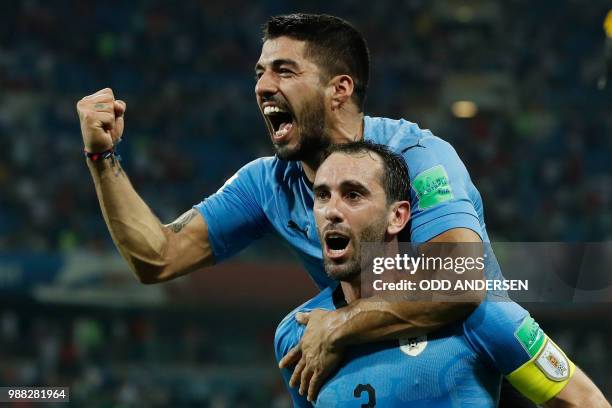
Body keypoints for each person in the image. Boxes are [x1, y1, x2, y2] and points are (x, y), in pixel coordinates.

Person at [77, 13, 512, 401]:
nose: (264, 86)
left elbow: (461, 281)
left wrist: (341, 326)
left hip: (491, 367)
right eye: (260, 72)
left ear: (339, 89)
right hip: (394, 366)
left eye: (284, 71)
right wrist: (102, 158)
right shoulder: (268, 183)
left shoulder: (417, 155)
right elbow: (157, 257)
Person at [275, 141, 610, 407]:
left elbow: (583, 401)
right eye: (322, 196)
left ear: (398, 216)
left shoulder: (475, 310)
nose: (332, 210)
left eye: (353, 195)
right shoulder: (298, 333)